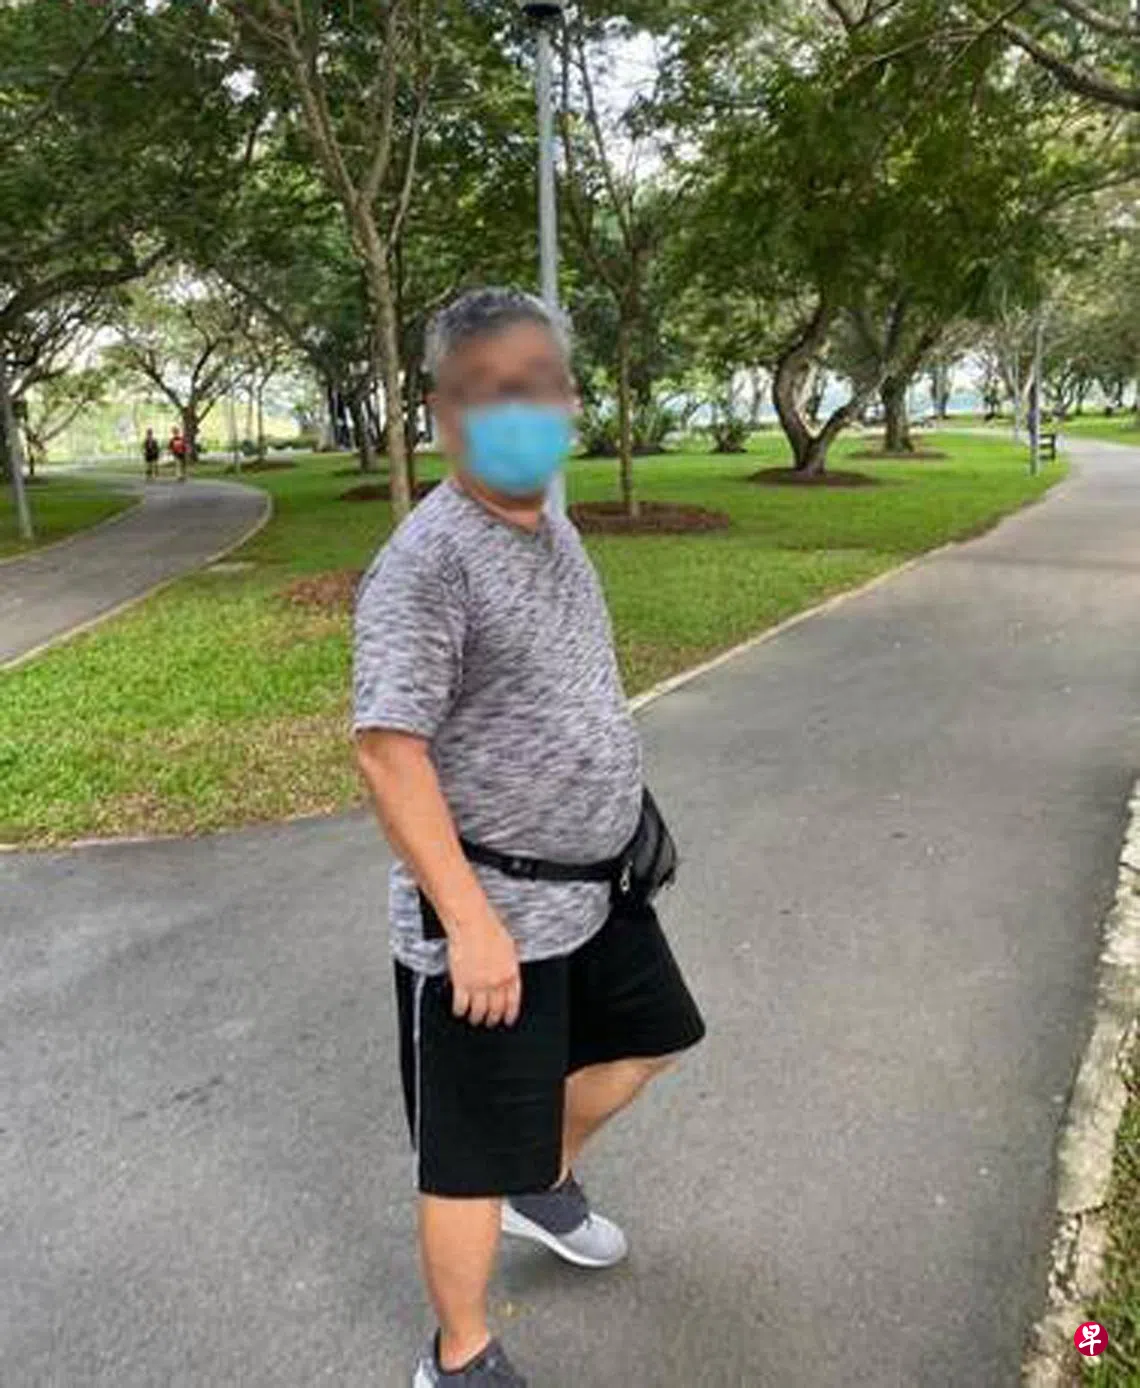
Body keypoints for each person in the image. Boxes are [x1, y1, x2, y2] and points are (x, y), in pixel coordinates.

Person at [352, 288, 706, 1388]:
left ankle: (540, 1177)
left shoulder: (553, 527)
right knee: (466, 1150)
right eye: (492, 389)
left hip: (598, 888)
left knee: (652, 1040)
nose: (524, 408)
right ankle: (458, 1355)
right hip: (491, 914)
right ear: (440, 411)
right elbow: (389, 752)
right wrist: (468, 925)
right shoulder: (428, 561)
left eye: (542, 384)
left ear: (572, 400)